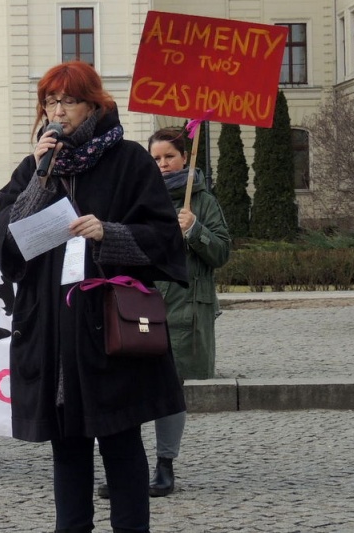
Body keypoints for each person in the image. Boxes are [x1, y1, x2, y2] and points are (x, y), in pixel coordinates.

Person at [0, 60, 188, 533]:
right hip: (54, 330)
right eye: (50, 101)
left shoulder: (131, 160)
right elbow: (5, 241)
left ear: (93, 103)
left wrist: (108, 233)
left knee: (120, 441)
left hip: (110, 327)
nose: (58, 111)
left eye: (68, 101)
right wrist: (38, 177)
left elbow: (164, 240)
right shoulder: (36, 166)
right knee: (67, 443)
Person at [145, 128, 231, 496]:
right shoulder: (141, 197)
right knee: (128, 386)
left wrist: (195, 229)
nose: (163, 165)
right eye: (156, 159)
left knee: (170, 389)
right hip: (141, 306)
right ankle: (128, 468)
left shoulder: (204, 201)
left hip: (183, 310)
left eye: (169, 157)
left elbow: (222, 253)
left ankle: (165, 465)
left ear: (184, 157)